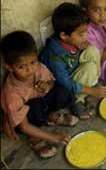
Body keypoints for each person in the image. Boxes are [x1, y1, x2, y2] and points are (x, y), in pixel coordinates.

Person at [1, 31, 78, 159]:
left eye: (32, 62)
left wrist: (48, 85)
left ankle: (50, 115)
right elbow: (24, 126)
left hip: (42, 102)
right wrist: (53, 137)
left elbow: (52, 81)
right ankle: (35, 138)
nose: (30, 69)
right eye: (22, 67)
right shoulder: (12, 92)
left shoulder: (38, 67)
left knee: (62, 90)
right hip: (27, 118)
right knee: (35, 107)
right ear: (9, 68)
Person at [40, 3, 106, 120]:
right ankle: (77, 100)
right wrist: (90, 91)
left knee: (92, 50)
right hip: (63, 85)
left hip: (74, 70)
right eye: (81, 34)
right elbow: (65, 82)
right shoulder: (56, 57)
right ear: (64, 35)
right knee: (89, 68)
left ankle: (93, 82)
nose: (85, 36)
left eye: (85, 32)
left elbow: (78, 53)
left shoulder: (71, 41)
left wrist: (81, 47)